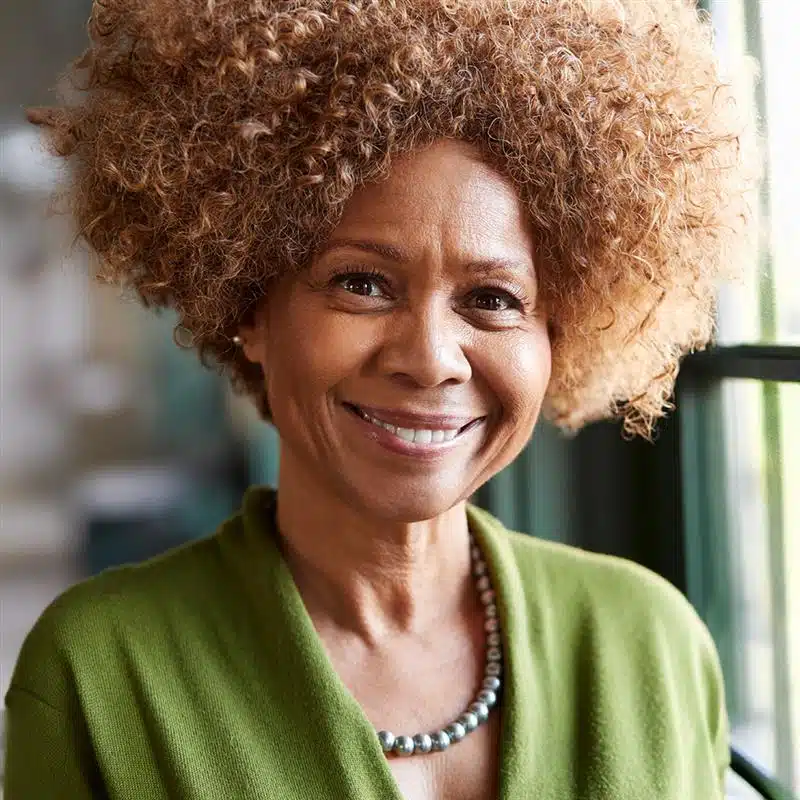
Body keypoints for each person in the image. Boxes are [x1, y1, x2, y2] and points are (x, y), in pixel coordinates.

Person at [4, 0, 754, 797]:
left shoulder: (652, 644)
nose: (429, 360)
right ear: (250, 309)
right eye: (361, 284)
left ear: (558, 331)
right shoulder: (100, 672)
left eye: (493, 298)